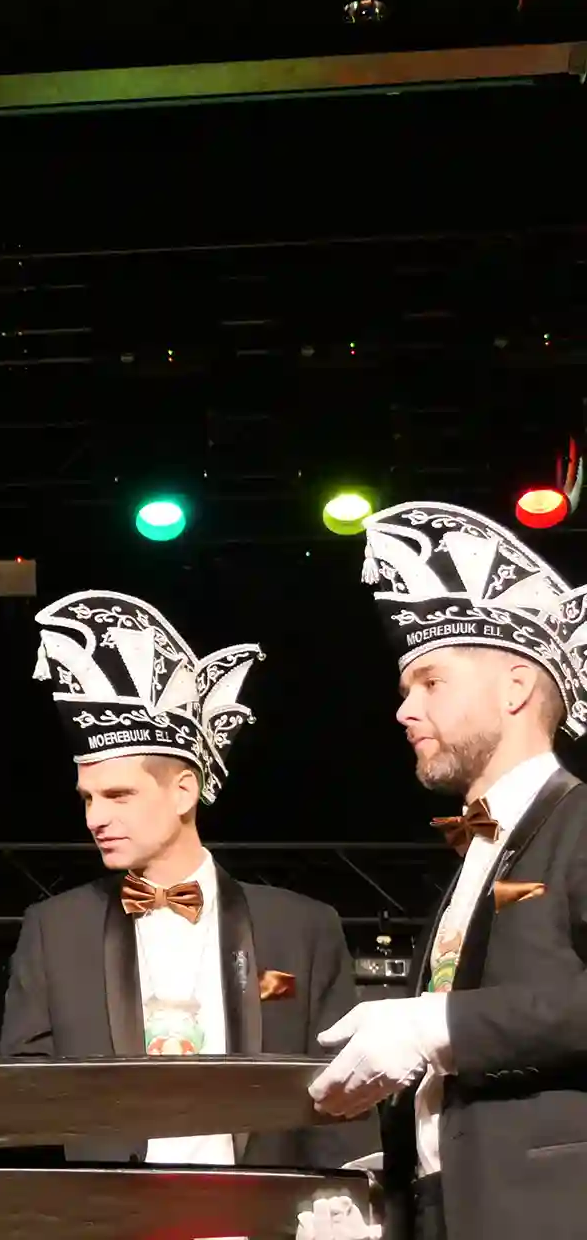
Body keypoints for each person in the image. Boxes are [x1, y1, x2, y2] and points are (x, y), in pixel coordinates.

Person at [6, 589, 375, 1169]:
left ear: (184, 792)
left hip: (260, 1207)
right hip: (109, 1208)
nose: (95, 818)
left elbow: (343, 1095)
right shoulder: (55, 930)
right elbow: (20, 1100)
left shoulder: (301, 928)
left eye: (118, 795)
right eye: (88, 798)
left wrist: (348, 1200)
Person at [304, 501, 587, 1240]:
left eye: (431, 683)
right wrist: (386, 1182)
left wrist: (437, 1024)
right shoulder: (478, 851)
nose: (405, 710)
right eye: (406, 691)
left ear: (515, 689)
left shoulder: (581, 820)